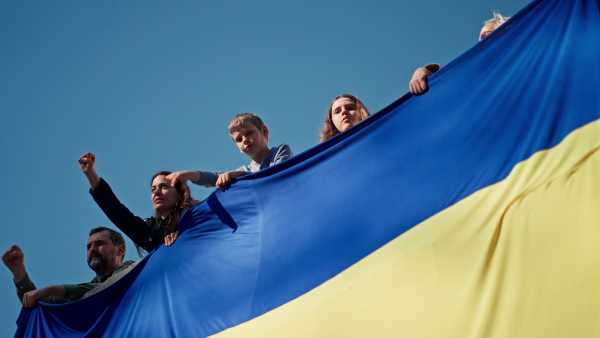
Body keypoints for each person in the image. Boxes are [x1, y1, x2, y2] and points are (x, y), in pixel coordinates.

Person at [78, 153, 199, 252]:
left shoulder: (198, 212)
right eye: (153, 189)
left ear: (180, 192)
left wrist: (185, 236)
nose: (156, 192)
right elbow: (115, 210)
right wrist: (90, 173)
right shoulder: (148, 230)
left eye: (164, 187)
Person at [2, 227, 135, 308]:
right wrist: (18, 271)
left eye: (100, 243)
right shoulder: (82, 293)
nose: (93, 249)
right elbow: (39, 305)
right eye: (89, 247)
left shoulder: (132, 269)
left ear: (120, 249)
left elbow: (110, 287)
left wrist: (52, 289)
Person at [166, 113, 293, 191]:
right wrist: (190, 174)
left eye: (249, 133)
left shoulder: (281, 151)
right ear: (238, 147)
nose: (245, 140)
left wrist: (239, 174)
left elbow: (277, 175)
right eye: (239, 139)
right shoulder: (245, 170)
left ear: (264, 131)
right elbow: (217, 177)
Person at [409, 12, 511, 95]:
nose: (480, 41)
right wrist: (424, 71)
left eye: (486, 35)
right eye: (480, 38)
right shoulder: (474, 69)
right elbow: (449, 81)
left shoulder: (518, 63)